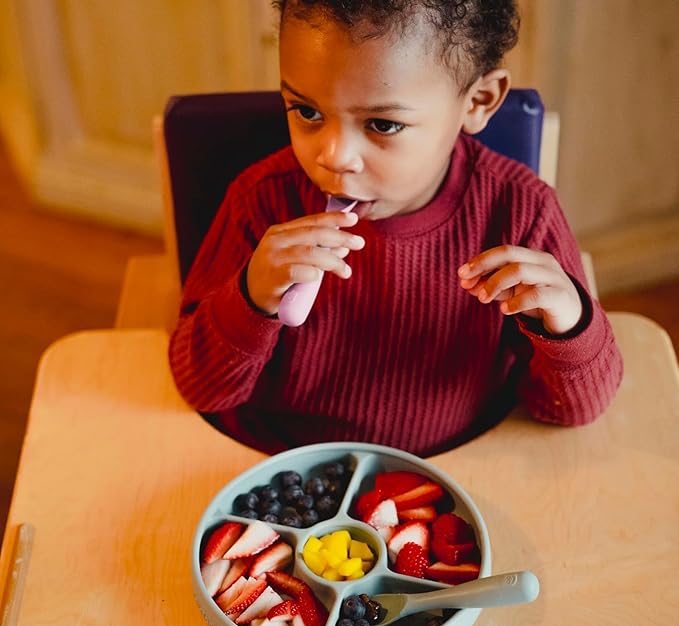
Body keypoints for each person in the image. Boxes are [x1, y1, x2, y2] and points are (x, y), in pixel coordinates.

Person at [168, 0, 623, 457]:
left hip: (453, 467)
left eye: (382, 124)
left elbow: (572, 411)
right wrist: (250, 297)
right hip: (275, 462)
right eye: (306, 112)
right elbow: (200, 389)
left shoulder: (522, 212)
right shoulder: (260, 201)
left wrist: (569, 329)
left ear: (478, 102)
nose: (335, 157)